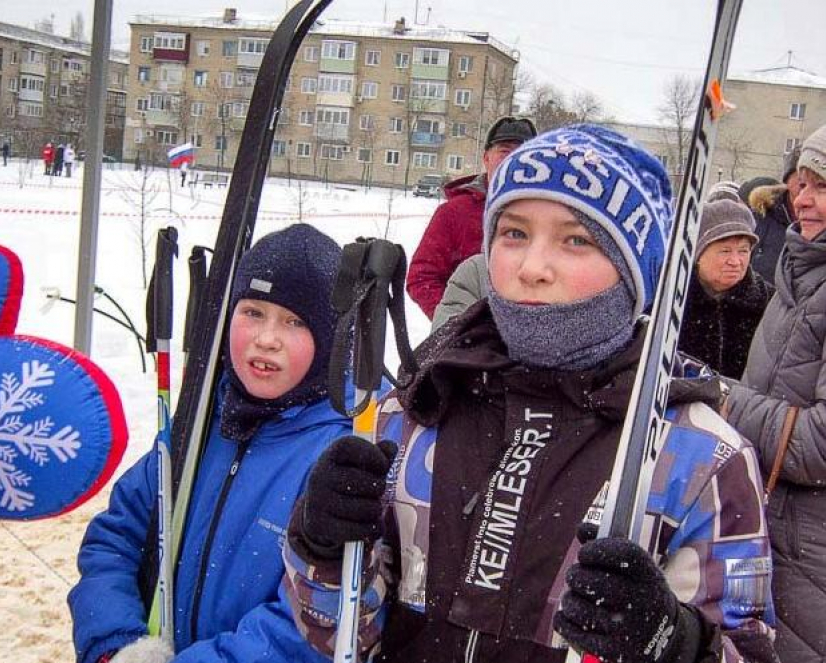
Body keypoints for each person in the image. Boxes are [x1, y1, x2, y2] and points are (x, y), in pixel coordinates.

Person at [284, 126, 777, 663]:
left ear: (634, 269)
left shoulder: (702, 454)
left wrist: (675, 643)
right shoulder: (417, 407)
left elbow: (748, 650)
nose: (532, 268)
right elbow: (349, 634)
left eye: (576, 240)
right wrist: (323, 549)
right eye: (514, 233)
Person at [68, 224, 351, 663]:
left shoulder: (339, 454)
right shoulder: (201, 423)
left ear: (332, 340)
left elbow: (308, 624)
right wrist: (115, 644)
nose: (266, 338)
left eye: (295, 322)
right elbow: (114, 538)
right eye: (253, 312)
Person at [724, 123, 826, 663]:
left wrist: (722, 400)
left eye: (822, 186)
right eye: (800, 183)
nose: (803, 199)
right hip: (767, 524)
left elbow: (818, 447)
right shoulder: (800, 272)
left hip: (813, 551)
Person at [406, 116, 536, 319]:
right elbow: (421, 277)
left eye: (524, 153)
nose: (513, 161)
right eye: (504, 152)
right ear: (486, 158)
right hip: (467, 344)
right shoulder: (454, 213)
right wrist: (458, 324)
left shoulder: (549, 217)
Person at [678, 200, 774, 380]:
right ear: (698, 254)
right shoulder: (672, 299)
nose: (735, 261)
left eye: (743, 251)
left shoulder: (769, 302)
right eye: (725, 251)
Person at [747, 147, 802, 285]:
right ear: (788, 180)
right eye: (802, 176)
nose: (808, 187)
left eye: (820, 182)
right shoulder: (760, 215)